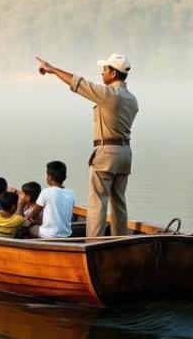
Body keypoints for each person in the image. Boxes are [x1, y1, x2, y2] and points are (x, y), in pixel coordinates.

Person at [36, 53, 138, 237]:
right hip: (125, 154)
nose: (102, 73)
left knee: (97, 202)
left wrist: (52, 69)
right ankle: (120, 241)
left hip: (107, 153)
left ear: (113, 74)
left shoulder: (108, 94)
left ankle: (95, 245)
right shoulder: (132, 99)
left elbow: (79, 84)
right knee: (119, 203)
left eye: (105, 70)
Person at [21, 161, 76, 238]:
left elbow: (34, 216)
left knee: (30, 226)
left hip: (47, 235)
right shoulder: (71, 193)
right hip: (66, 235)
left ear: (49, 177)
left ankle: (36, 246)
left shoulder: (46, 192)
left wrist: (22, 205)